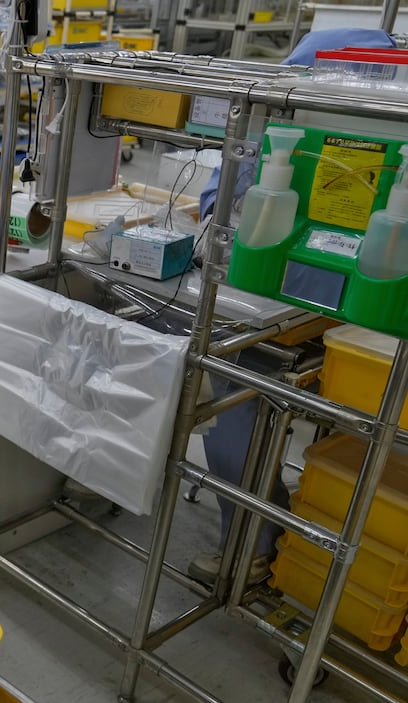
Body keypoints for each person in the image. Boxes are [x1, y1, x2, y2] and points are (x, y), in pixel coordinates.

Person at [186, 27, 396, 584]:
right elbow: (218, 202)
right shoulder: (275, 120)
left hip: (335, 317)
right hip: (296, 304)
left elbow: (221, 210)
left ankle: (252, 546)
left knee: (236, 387)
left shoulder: (358, 137)